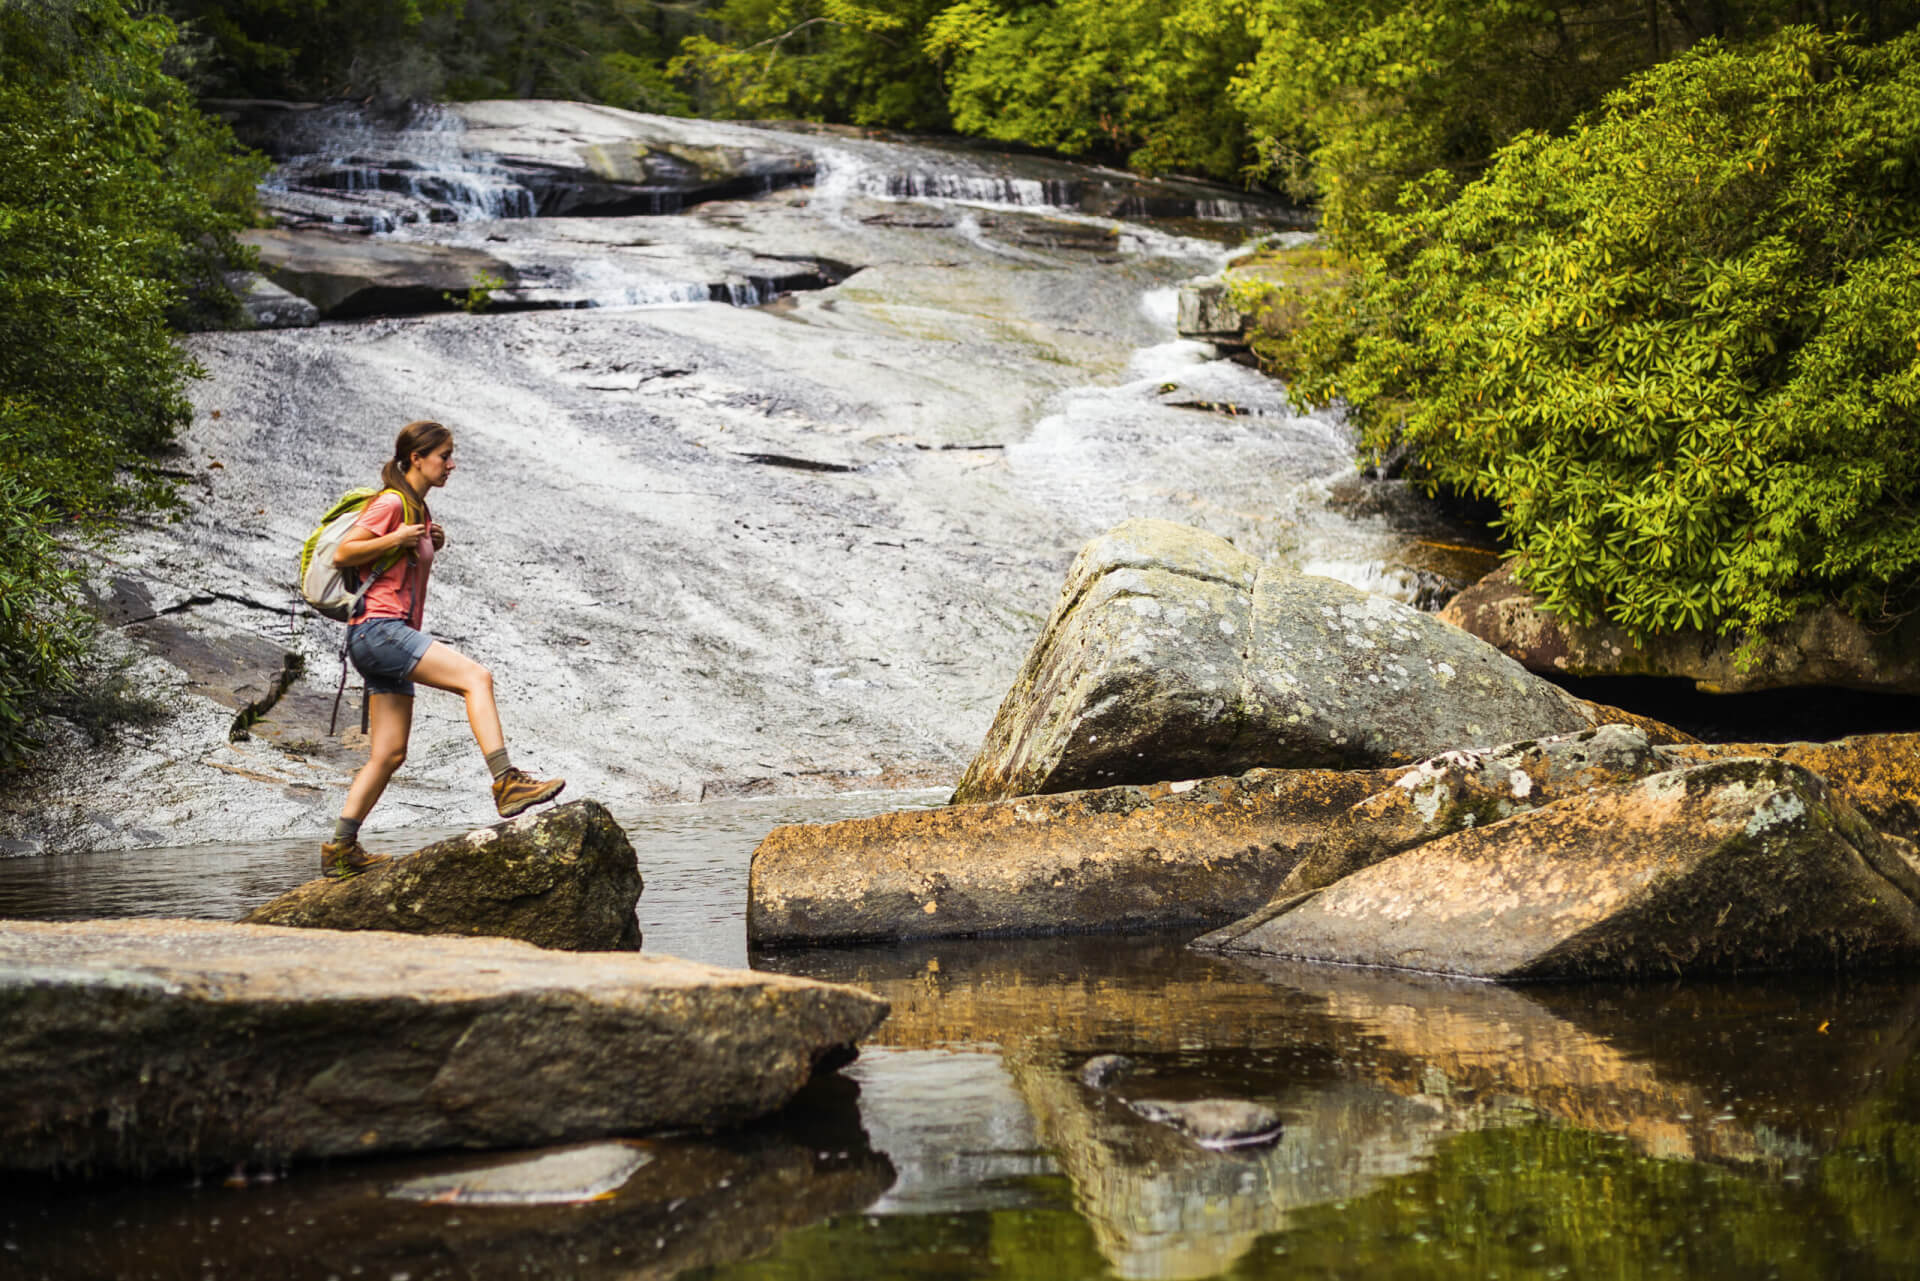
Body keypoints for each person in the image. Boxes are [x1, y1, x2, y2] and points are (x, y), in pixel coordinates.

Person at [318, 419, 564, 879]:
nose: (451, 464)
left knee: (389, 754)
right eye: (444, 456)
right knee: (477, 678)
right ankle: (507, 781)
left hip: (374, 637)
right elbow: (343, 554)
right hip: (380, 630)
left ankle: (340, 848)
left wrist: (426, 542)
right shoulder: (392, 503)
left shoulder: (417, 511)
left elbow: (390, 562)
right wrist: (397, 538)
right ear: (416, 458)